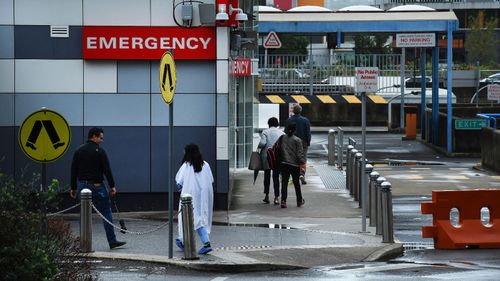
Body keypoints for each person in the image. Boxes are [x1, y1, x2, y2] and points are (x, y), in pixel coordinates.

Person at [70, 127, 126, 249]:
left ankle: (83, 243)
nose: (102, 140)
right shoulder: (100, 152)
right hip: (97, 186)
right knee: (106, 211)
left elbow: (73, 170)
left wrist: (73, 188)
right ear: (93, 136)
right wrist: (112, 186)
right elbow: (107, 170)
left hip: (82, 186)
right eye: (101, 137)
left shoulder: (78, 151)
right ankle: (112, 241)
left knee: (84, 213)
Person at [175, 144, 214, 255]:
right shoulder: (206, 165)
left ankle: (183, 240)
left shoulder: (186, 166)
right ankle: (206, 242)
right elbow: (210, 180)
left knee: (185, 217)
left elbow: (179, 182)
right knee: (201, 218)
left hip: (189, 195)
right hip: (204, 197)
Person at [258, 117, 285, 205]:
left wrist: (258, 146)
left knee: (267, 177)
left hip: (267, 156)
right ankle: (276, 197)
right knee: (276, 177)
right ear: (277, 124)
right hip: (277, 157)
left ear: (269, 123)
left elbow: (262, 143)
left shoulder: (265, 132)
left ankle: (266, 196)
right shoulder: (282, 133)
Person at [279, 123, 306, 208]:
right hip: (294, 165)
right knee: (296, 183)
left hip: (284, 163)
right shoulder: (297, 140)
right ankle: (299, 200)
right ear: (295, 130)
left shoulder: (282, 138)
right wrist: (303, 162)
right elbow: (299, 154)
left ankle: (283, 201)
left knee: (284, 183)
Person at [285, 104, 311, 185]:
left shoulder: (289, 120)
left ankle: (293, 176)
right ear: (300, 111)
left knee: (292, 159)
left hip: (291, 143)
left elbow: (286, 132)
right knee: (302, 159)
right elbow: (308, 133)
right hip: (303, 143)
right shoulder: (305, 120)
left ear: (293, 111)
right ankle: (301, 174)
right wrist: (308, 142)